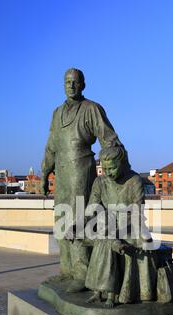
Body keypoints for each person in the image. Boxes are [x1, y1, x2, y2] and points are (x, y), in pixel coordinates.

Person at [41, 68, 122, 293]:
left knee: (77, 220)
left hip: (81, 169)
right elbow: (51, 145)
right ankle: (67, 271)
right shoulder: (56, 113)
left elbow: (109, 139)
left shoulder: (91, 109)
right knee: (60, 221)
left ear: (83, 85)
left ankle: (82, 273)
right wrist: (45, 172)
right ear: (63, 84)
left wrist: (116, 166)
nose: (71, 86)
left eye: (75, 82)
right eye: (67, 82)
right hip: (62, 173)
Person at [84, 146, 157, 308]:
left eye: (112, 168)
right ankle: (99, 290)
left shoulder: (134, 180)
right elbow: (91, 208)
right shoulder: (100, 182)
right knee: (103, 241)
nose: (108, 172)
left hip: (130, 224)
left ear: (122, 163)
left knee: (126, 242)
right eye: (105, 169)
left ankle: (121, 292)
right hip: (108, 224)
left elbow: (138, 211)